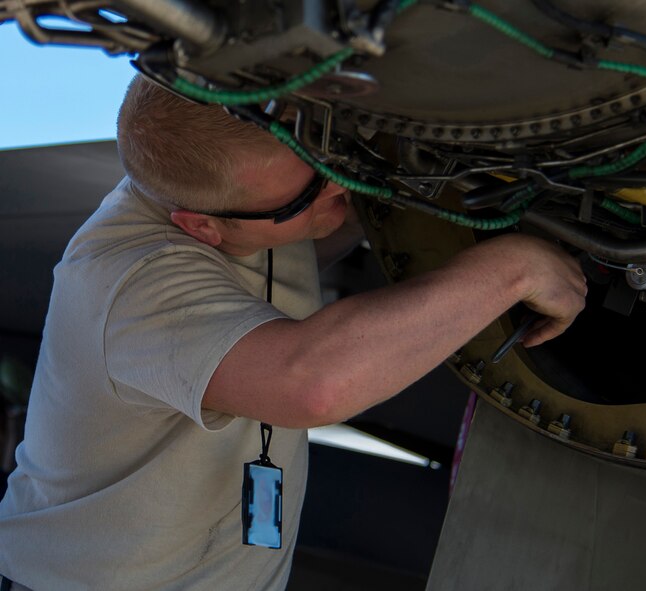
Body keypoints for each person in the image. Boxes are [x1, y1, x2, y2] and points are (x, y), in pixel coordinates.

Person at [0, 75, 586, 590]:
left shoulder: (243, 202)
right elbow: (311, 384)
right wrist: (513, 270)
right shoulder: (133, 281)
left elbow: (328, 216)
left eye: (327, 163)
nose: (340, 191)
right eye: (309, 196)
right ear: (202, 226)